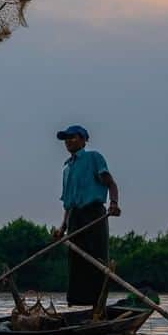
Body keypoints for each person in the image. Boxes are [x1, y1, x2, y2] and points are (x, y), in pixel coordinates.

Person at [50, 124, 121, 306]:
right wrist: (62, 227)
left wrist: (113, 204)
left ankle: (98, 305)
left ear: (83, 140)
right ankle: (79, 306)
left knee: (96, 259)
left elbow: (110, 184)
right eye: (66, 138)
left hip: (94, 215)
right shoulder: (67, 169)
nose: (68, 141)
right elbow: (68, 203)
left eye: (72, 137)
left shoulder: (93, 158)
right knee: (77, 262)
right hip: (75, 217)